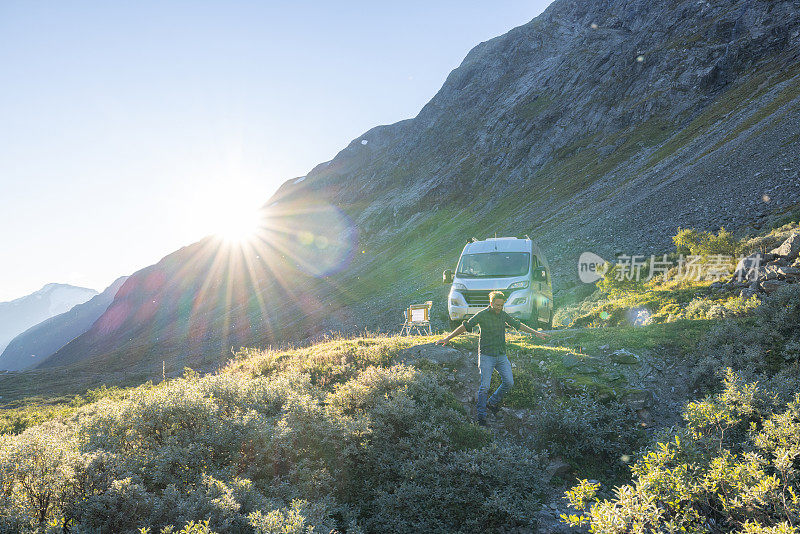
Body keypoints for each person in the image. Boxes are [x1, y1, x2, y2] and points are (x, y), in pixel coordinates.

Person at [436, 291, 549, 427]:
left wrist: (536, 333)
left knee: (509, 382)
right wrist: (447, 338)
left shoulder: (503, 315)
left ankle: (492, 402)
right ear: (491, 303)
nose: (499, 307)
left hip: (501, 355)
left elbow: (518, 325)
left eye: (501, 305)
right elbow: (465, 326)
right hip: (486, 356)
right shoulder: (482, 315)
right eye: (497, 305)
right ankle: (481, 417)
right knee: (485, 387)